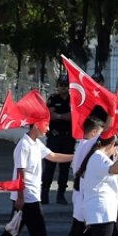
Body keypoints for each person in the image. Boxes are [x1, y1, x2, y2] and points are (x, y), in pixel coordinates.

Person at [43, 76, 74, 204]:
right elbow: (50, 115)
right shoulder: (53, 98)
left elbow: (73, 116)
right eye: (61, 84)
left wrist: (58, 116)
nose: (63, 87)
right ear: (57, 86)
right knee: (49, 167)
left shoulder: (73, 99)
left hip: (68, 137)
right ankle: (44, 193)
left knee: (64, 168)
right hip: (54, 137)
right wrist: (63, 116)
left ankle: (61, 195)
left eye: (65, 85)